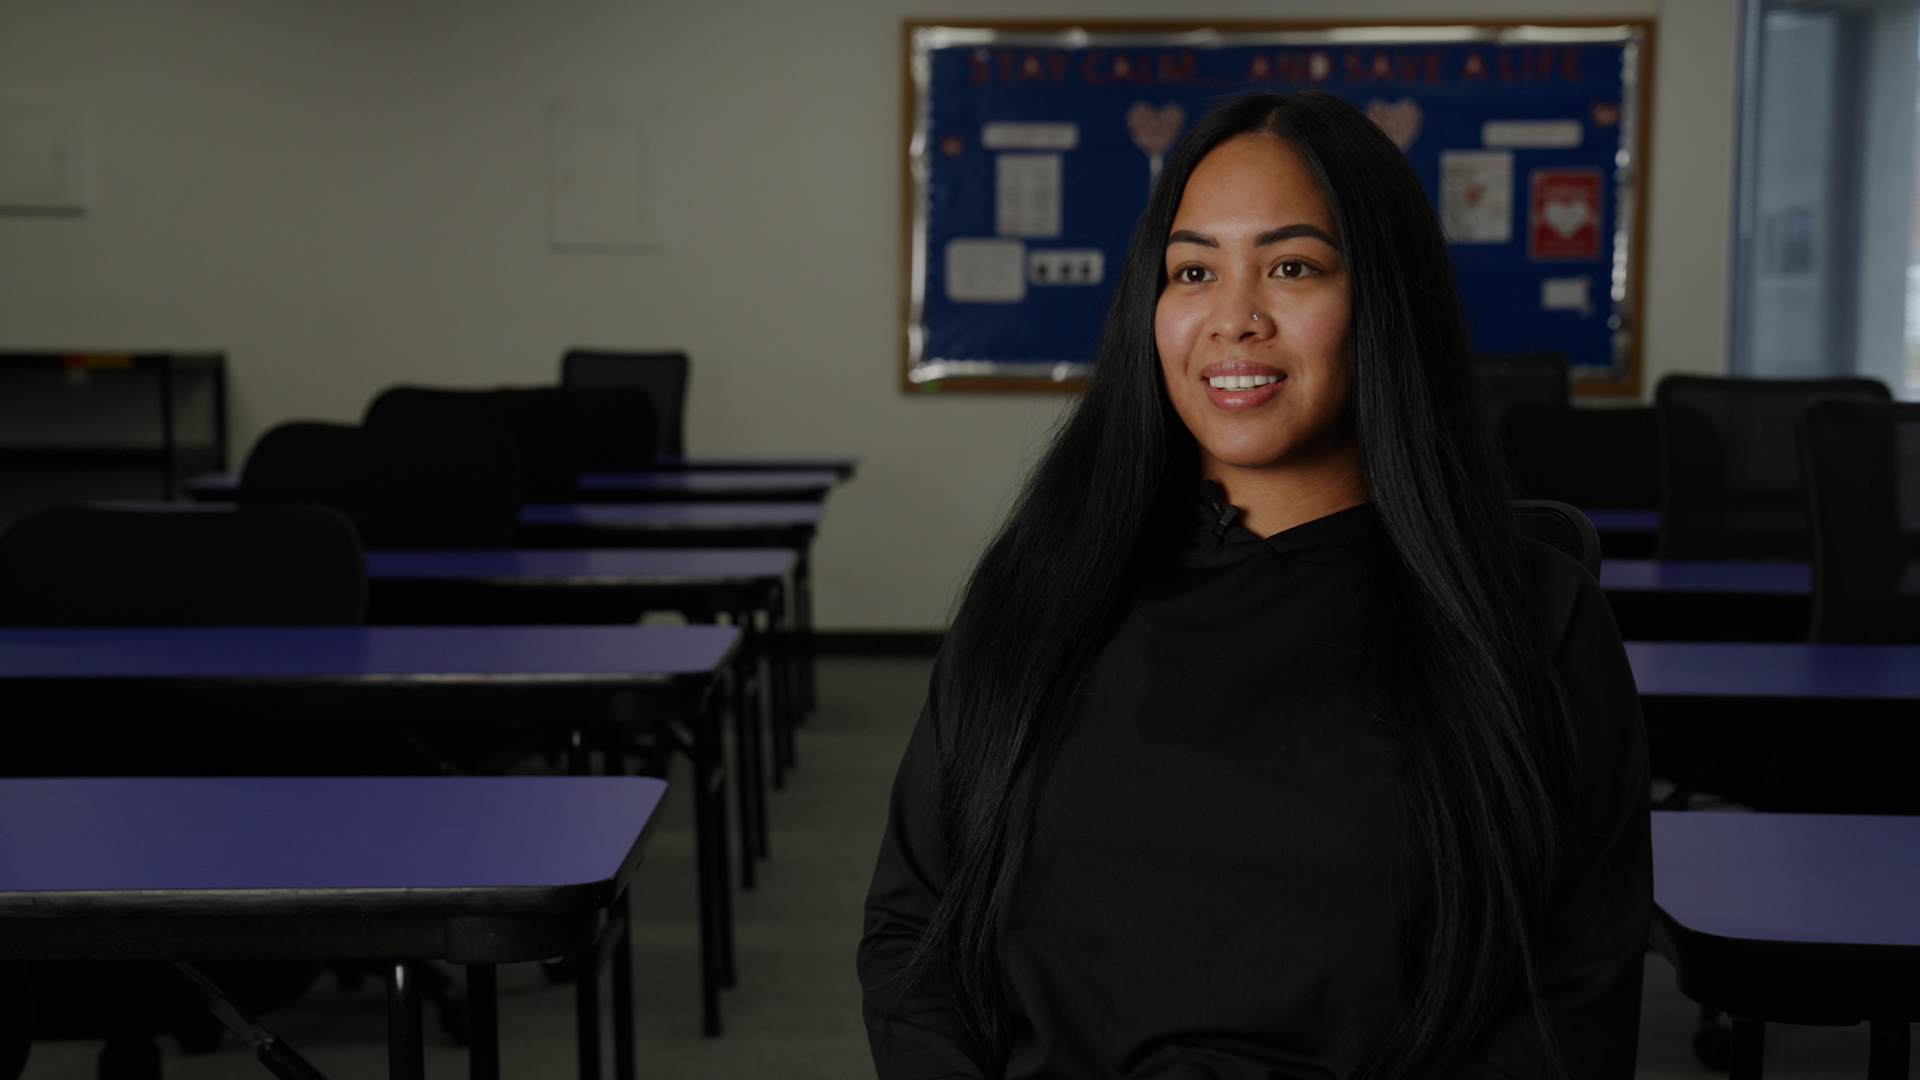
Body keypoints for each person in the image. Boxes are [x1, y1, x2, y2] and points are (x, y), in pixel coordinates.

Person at [859, 91, 1649, 1080]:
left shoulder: (1535, 620)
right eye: (1193, 270)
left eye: (1292, 267)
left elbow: (1570, 997)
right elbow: (912, 932)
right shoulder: (1042, 591)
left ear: (1383, 297)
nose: (1234, 318)